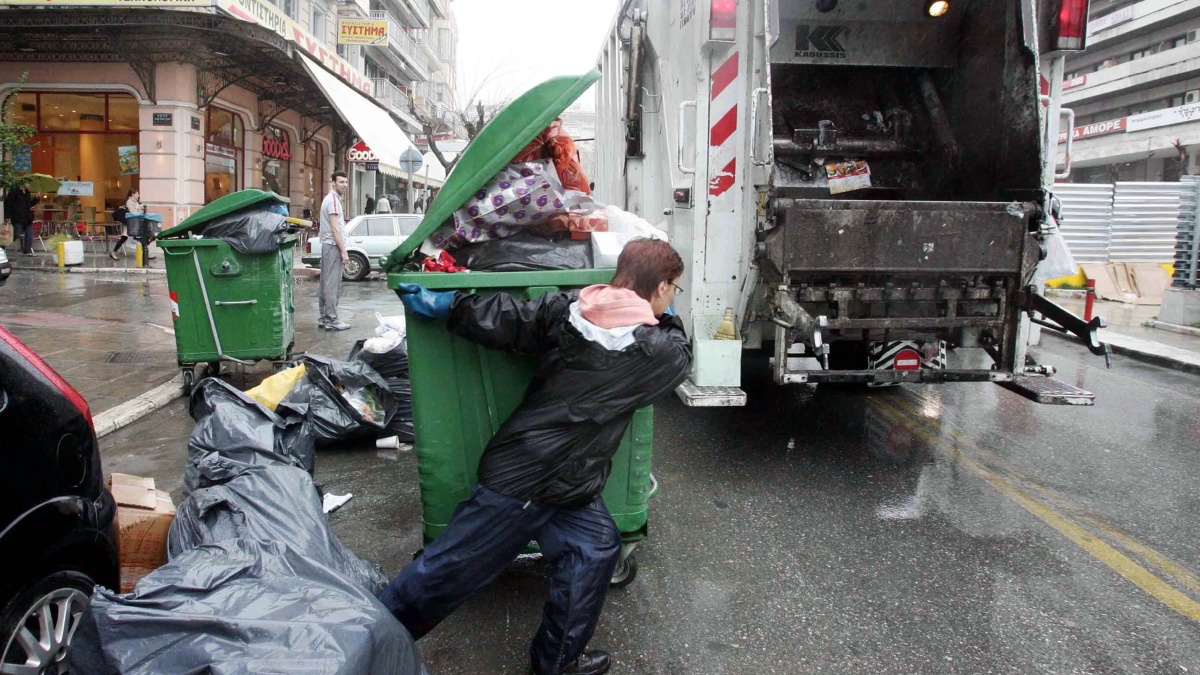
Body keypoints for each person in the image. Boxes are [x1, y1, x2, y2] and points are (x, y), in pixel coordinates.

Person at [382, 239, 692, 675]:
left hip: (563, 480)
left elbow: (512, 319)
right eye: (673, 288)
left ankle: (556, 661)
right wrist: (670, 317)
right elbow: (681, 356)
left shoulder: (573, 310)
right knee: (449, 571)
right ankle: (363, 638)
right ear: (660, 287)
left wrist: (450, 306)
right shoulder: (652, 351)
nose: (674, 296)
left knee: (596, 548)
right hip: (530, 479)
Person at [318, 171, 351, 331]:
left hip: (328, 245)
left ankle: (324, 318)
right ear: (333, 183)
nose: (344, 185)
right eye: (341, 182)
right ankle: (332, 320)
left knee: (326, 282)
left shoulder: (332, 199)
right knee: (332, 283)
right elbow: (335, 229)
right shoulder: (333, 201)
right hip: (332, 245)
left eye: (345, 182)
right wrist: (343, 251)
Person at [3, 180, 39, 256]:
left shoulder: (27, 193)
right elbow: (7, 204)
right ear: (23, 183)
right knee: (16, 233)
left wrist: (36, 199)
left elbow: (28, 205)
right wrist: (7, 216)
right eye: (29, 184)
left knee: (29, 234)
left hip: (27, 218)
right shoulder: (14, 191)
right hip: (17, 218)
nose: (30, 186)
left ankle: (27, 251)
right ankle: (3, 244)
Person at [109, 189, 141, 260]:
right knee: (124, 237)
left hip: (134, 223)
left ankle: (144, 253)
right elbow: (133, 213)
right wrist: (140, 209)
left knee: (139, 237)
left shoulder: (135, 202)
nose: (138, 195)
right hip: (130, 223)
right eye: (137, 194)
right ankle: (113, 252)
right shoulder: (129, 202)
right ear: (132, 194)